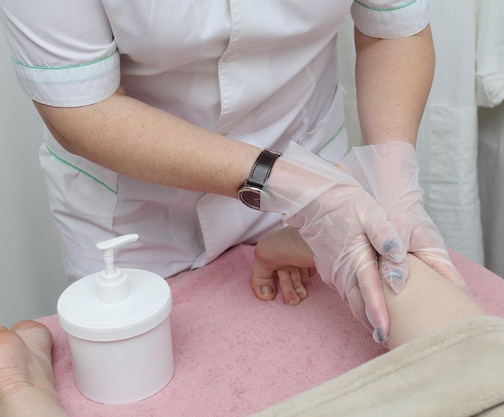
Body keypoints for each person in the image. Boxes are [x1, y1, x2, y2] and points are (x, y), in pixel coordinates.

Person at [0, 1, 464, 343]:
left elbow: (390, 29)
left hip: (312, 160)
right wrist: (289, 185)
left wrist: (392, 170)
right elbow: (85, 111)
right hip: (137, 210)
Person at [0, 227, 504, 416]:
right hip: (135, 192)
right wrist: (329, 236)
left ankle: (20, 392)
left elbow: (392, 29)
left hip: (296, 133)